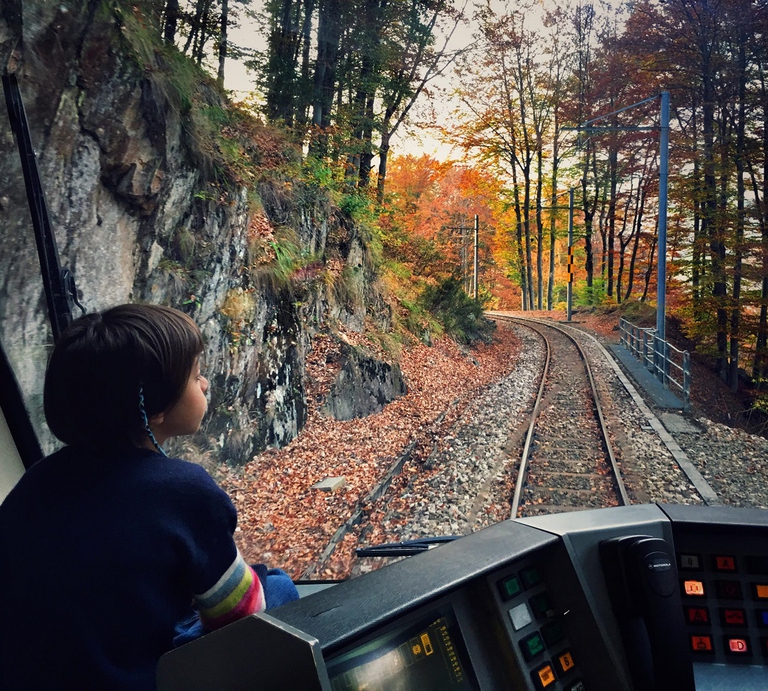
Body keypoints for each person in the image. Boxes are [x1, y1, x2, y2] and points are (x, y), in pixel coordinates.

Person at [0, 304, 298, 690]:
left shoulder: (33, 482)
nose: (205, 384)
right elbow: (243, 614)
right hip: (140, 680)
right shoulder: (182, 489)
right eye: (195, 376)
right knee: (278, 586)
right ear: (154, 407)